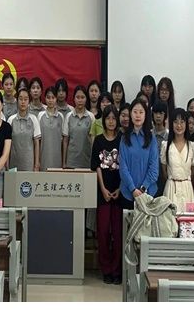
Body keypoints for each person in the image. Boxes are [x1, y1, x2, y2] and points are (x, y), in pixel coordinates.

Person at [90, 104, 122, 285]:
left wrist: (120, 188)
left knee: (117, 233)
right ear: (103, 120)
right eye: (108, 118)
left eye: (113, 118)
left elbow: (125, 166)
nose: (111, 121)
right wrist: (102, 188)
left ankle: (117, 270)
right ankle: (106, 269)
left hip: (119, 192)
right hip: (102, 192)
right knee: (102, 232)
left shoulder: (122, 140)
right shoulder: (99, 141)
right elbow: (96, 166)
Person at [118, 98, 159, 210]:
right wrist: (133, 189)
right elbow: (123, 167)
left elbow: (154, 168)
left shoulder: (151, 139)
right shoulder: (124, 138)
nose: (138, 115)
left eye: (141, 112)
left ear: (146, 115)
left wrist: (143, 188)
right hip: (128, 193)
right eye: (135, 112)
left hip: (148, 193)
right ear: (130, 114)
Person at [160, 108, 194, 213]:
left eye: (182, 122)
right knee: (170, 220)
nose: (179, 125)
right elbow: (164, 171)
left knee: (188, 220)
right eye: (175, 122)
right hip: (171, 188)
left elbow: (193, 170)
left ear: (186, 124)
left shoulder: (192, 146)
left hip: (187, 188)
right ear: (171, 124)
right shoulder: (165, 146)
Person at [62, 86, 96, 169]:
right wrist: (64, 162)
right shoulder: (68, 116)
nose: (80, 100)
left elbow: (93, 141)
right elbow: (65, 141)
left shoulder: (91, 117)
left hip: (87, 161)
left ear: (86, 99)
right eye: (77, 97)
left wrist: (94, 161)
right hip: (71, 162)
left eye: (82, 97)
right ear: (74, 99)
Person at [8, 88, 41, 171]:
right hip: (13, 164)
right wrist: (6, 164)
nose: (23, 102)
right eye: (20, 99)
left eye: (25, 99)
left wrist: (36, 164)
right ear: (17, 100)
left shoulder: (34, 119)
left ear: (29, 101)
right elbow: (7, 145)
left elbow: (36, 143)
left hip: (29, 165)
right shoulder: (11, 120)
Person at [38, 87, 65, 170]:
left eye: (53, 97)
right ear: (45, 98)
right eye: (48, 97)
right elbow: (38, 141)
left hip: (57, 159)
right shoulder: (40, 115)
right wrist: (37, 160)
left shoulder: (61, 116)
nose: (50, 100)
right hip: (43, 158)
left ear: (56, 99)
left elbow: (63, 141)